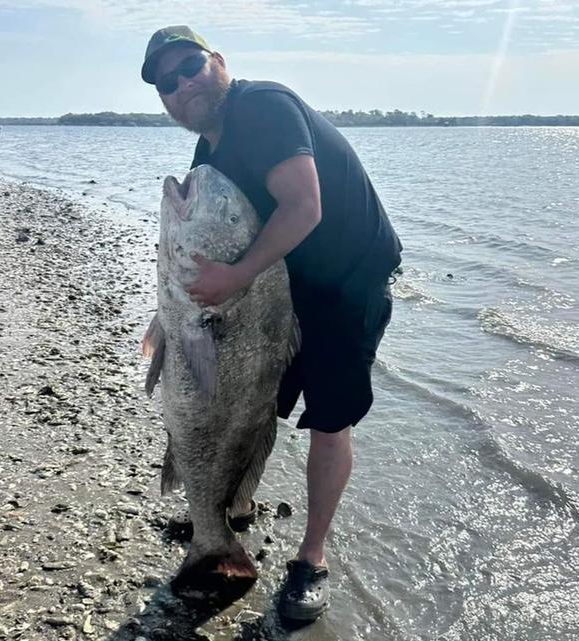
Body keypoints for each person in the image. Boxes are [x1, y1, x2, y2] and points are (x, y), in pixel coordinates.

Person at [141, 25, 402, 622]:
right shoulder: (209, 147)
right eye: (166, 81)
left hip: (344, 287)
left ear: (220, 63)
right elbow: (203, 230)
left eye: (191, 67)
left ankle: (312, 559)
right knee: (249, 406)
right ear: (162, 99)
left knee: (330, 423)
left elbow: (304, 206)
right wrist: (172, 309)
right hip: (274, 292)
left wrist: (231, 280)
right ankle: (225, 518)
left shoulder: (264, 108)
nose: (182, 84)